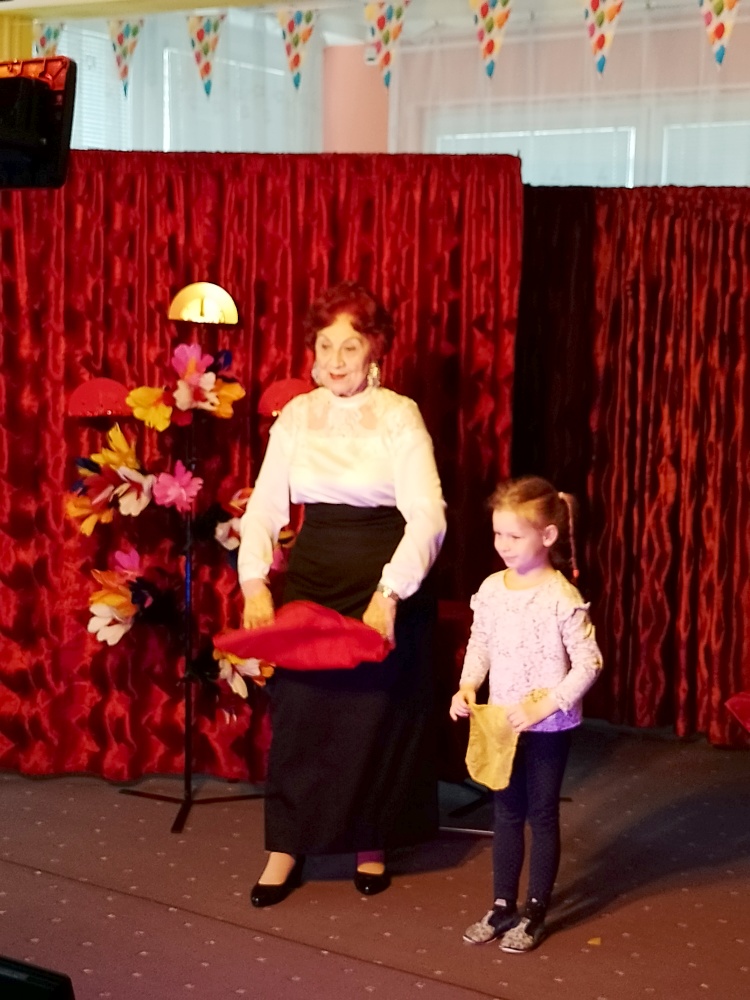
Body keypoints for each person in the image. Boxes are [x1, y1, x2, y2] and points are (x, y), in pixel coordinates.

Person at [238, 281, 447, 906]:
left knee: (372, 716)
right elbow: (264, 508)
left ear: (374, 350)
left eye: (349, 346)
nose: (334, 360)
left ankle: (370, 841)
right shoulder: (297, 415)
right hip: (315, 574)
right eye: (325, 345)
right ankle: (286, 846)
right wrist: (254, 583)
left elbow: (428, 517)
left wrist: (390, 594)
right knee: (301, 714)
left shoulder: (400, 414)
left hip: (385, 575)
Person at [450, 476, 602, 952]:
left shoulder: (561, 596)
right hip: (501, 722)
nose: (503, 544)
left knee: (541, 813)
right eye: (498, 533)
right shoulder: (492, 589)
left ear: (548, 535)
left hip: (548, 727)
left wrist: (545, 705)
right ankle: (502, 905)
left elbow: (590, 663)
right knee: (506, 812)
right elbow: (480, 643)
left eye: (514, 535)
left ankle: (535, 911)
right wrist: (467, 685)